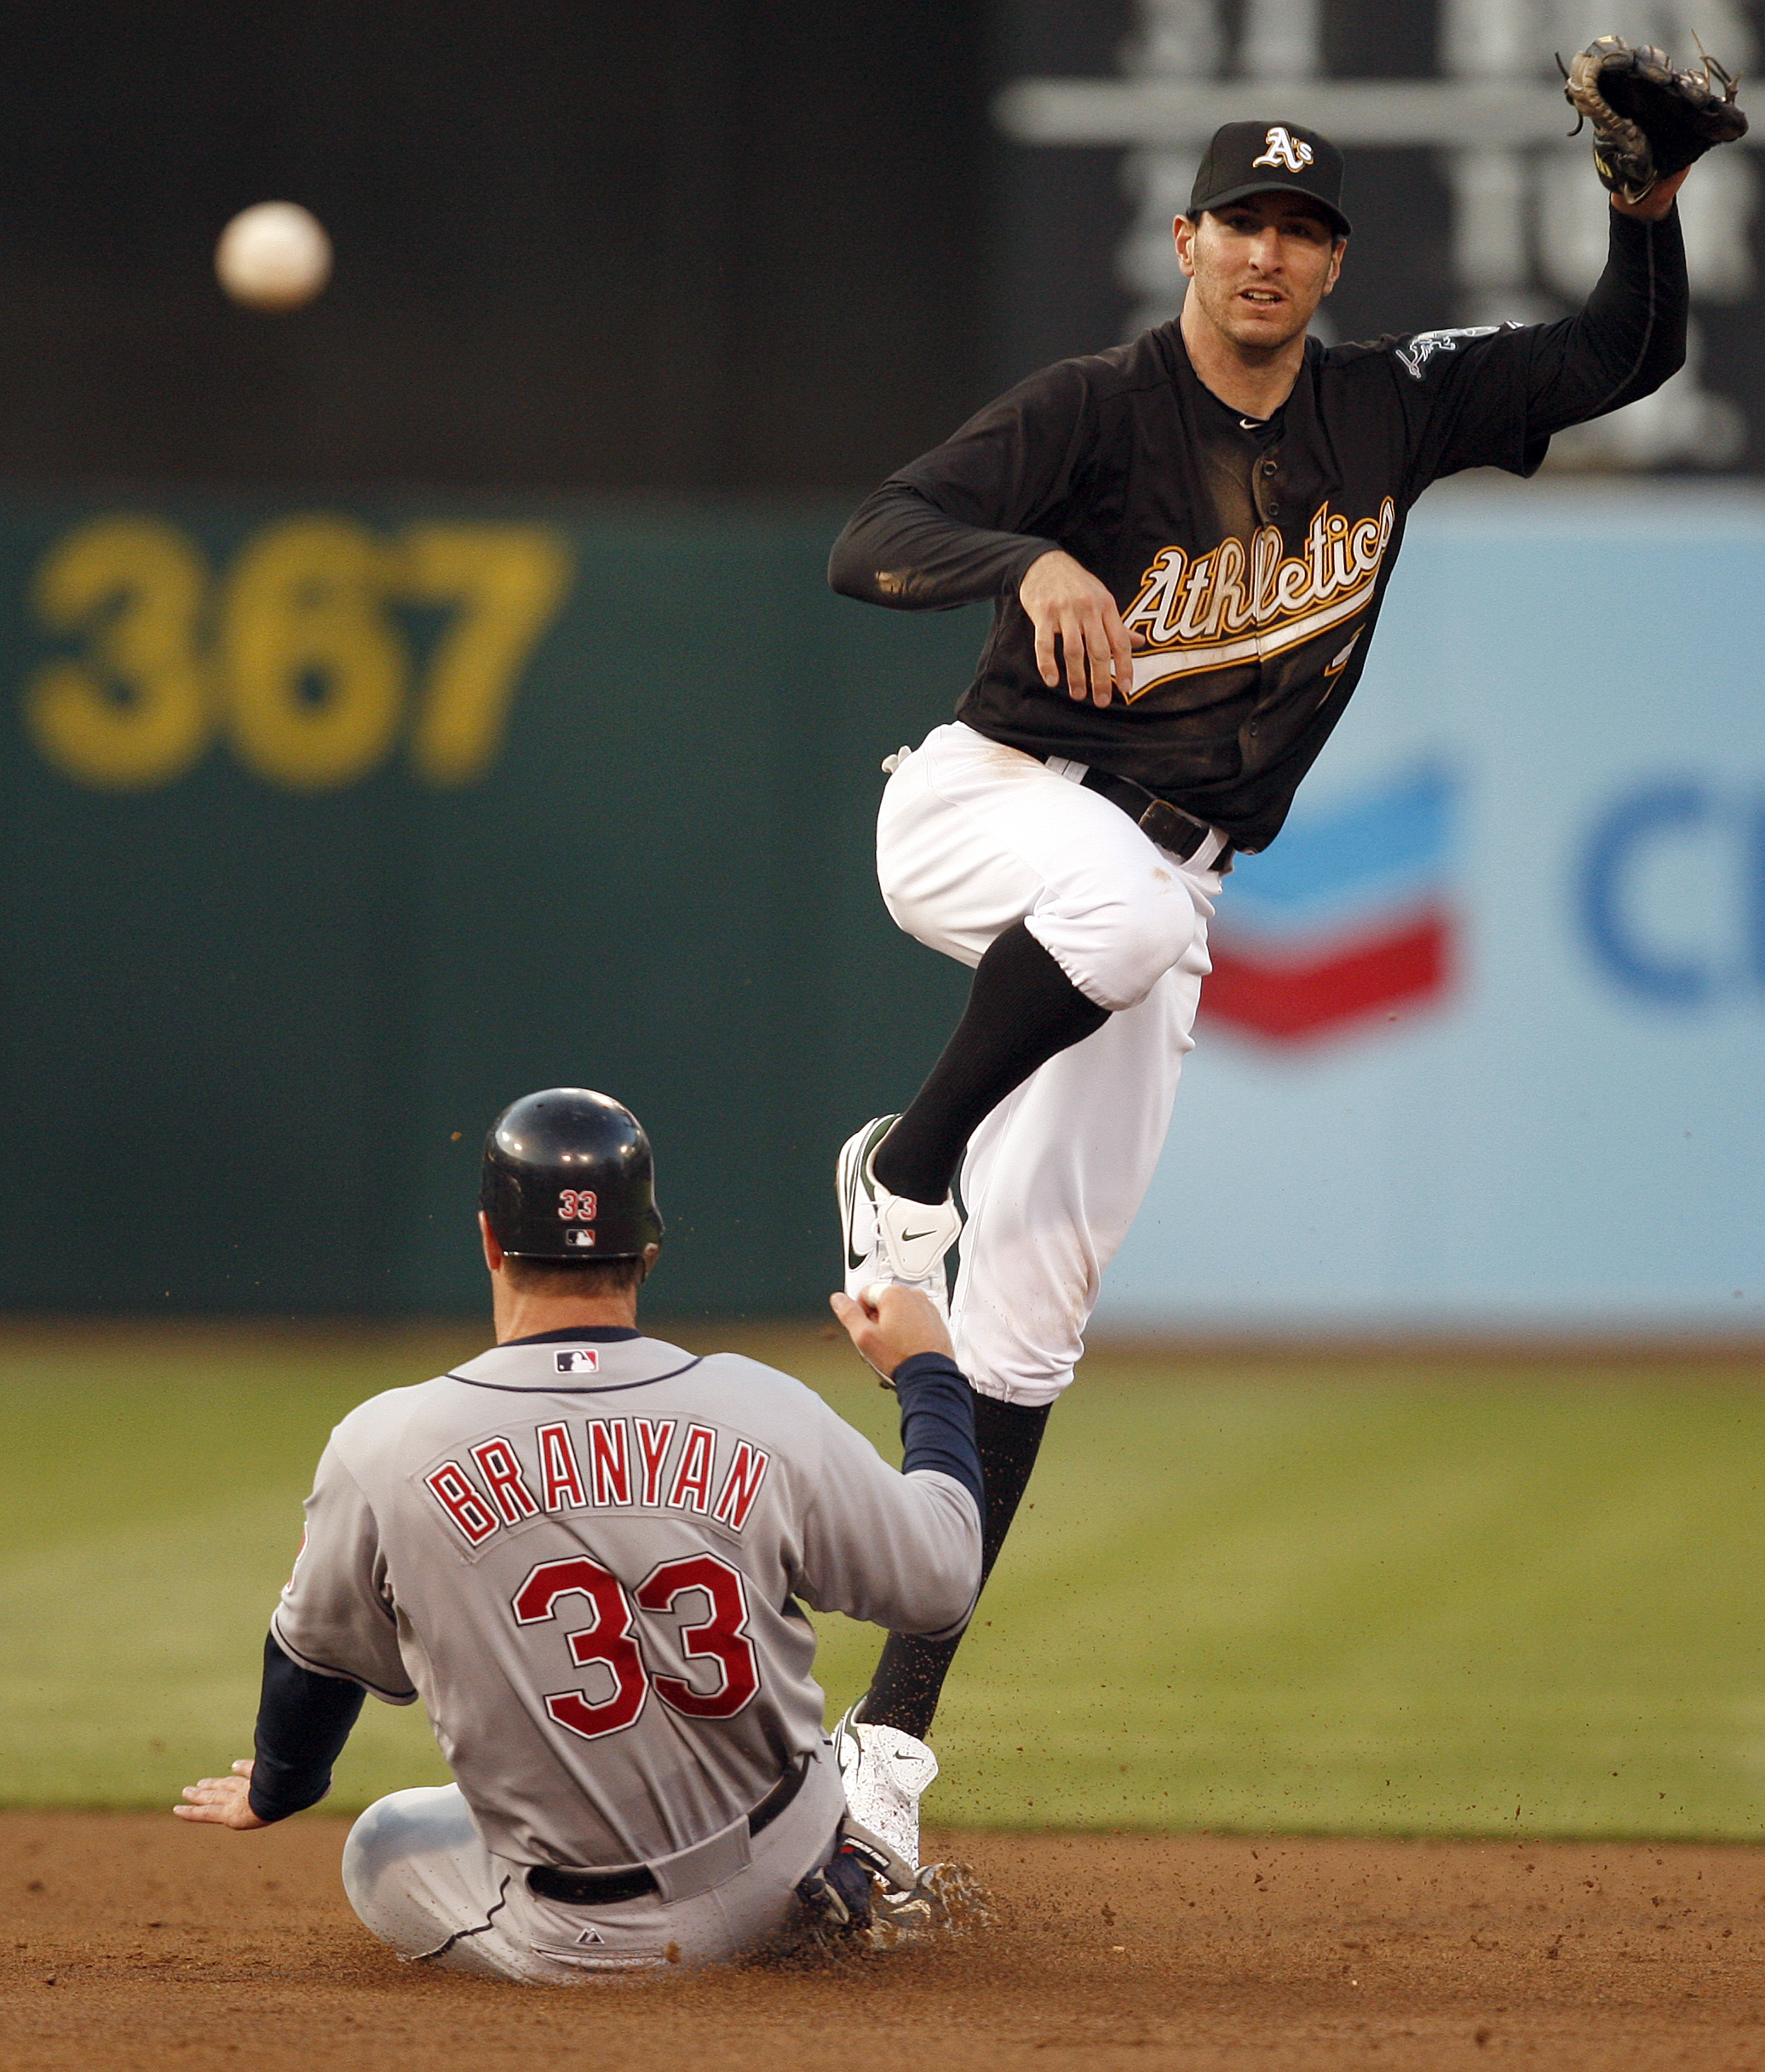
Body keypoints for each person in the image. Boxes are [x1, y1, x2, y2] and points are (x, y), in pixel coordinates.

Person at [825, 111, 1702, 1862]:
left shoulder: (1386, 407)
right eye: (1242, 219)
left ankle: (880, 1765)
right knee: (1127, 921)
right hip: (984, 808)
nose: (1267, 253)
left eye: (1301, 228)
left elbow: (1624, 350)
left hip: (1155, 884)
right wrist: (1030, 558)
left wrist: (1645, 205)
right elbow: (873, 537)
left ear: (1333, 262)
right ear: (1184, 237)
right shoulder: (1093, 407)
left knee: (1032, 1329)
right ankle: (907, 1171)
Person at [175, 1087, 982, 1981]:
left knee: (381, 1840)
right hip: (782, 1861)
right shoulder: (763, 1405)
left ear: (488, 1239)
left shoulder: (385, 1444)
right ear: (647, 1248)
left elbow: (314, 1664)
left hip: (591, 1936)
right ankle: (839, 1860)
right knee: (789, 1771)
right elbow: (944, 1577)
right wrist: (928, 1371)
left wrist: (280, 1783)